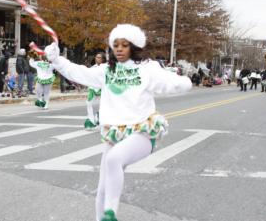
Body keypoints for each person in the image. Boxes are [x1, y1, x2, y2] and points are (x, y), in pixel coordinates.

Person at [44, 24, 192, 221]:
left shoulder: (146, 68)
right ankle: (103, 216)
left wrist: (182, 82)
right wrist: (56, 60)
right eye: (116, 45)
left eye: (124, 45)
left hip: (141, 132)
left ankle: (110, 213)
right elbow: (79, 73)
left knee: (114, 159)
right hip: (115, 134)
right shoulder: (106, 71)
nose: (119, 49)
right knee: (102, 188)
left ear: (134, 47)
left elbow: (169, 82)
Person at [84, 52, 106, 129]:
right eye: (97, 57)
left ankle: (99, 116)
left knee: (103, 105)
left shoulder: (106, 67)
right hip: (93, 88)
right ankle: (91, 120)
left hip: (103, 89)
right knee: (88, 103)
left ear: (103, 59)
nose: (97, 59)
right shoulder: (93, 67)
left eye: (99, 57)